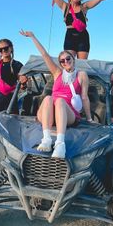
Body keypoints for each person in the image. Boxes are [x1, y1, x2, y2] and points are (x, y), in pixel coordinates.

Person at [19, 30, 93, 158]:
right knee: (48, 98)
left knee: (59, 101)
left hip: (68, 113)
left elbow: (85, 97)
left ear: (73, 59)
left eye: (68, 59)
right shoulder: (57, 73)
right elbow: (44, 54)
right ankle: (46, 139)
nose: (65, 62)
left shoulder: (81, 75)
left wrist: (90, 119)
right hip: (47, 112)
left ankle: (60, 144)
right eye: (62, 61)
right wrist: (33, 36)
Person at [35, 0, 113, 59]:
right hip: (70, 36)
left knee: (82, 65)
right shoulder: (64, 6)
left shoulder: (84, 7)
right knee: (68, 61)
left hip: (83, 37)